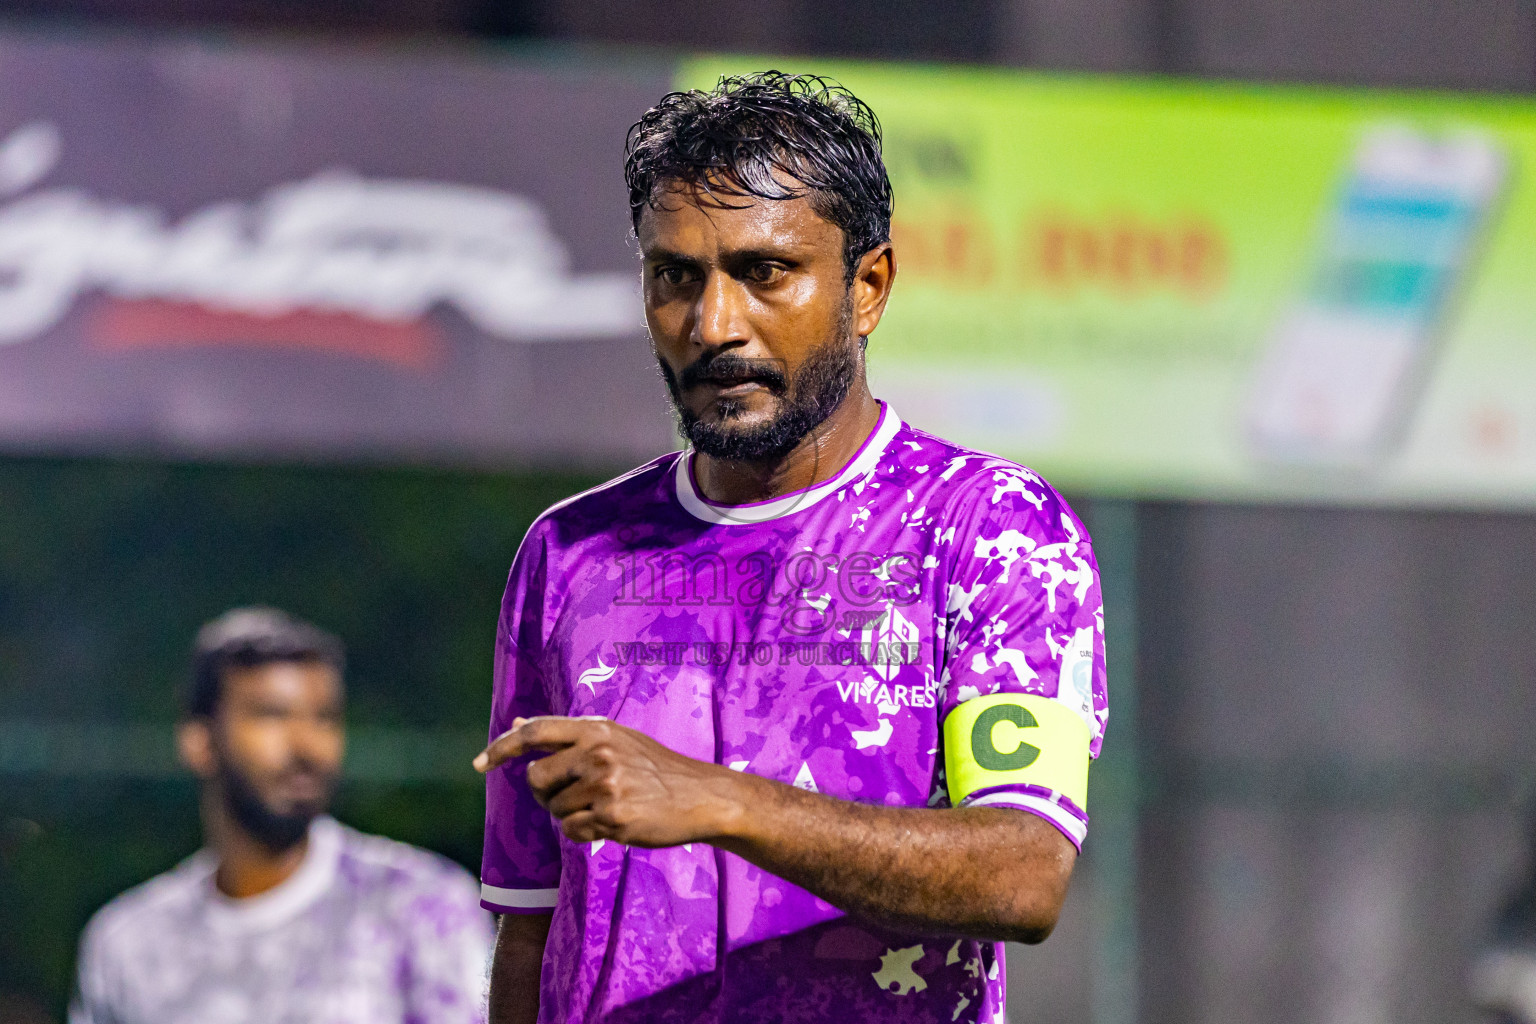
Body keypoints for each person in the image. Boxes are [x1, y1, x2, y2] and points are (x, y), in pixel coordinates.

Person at [474, 71, 1107, 1024]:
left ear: (868, 288)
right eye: (675, 277)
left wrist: (717, 801)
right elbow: (532, 929)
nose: (713, 325)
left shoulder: (992, 529)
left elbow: (1023, 873)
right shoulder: (570, 552)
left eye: (763, 273)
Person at [71, 607, 494, 1024]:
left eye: (324, 718)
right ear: (199, 741)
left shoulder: (421, 906)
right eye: (271, 715)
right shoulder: (128, 944)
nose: (307, 746)